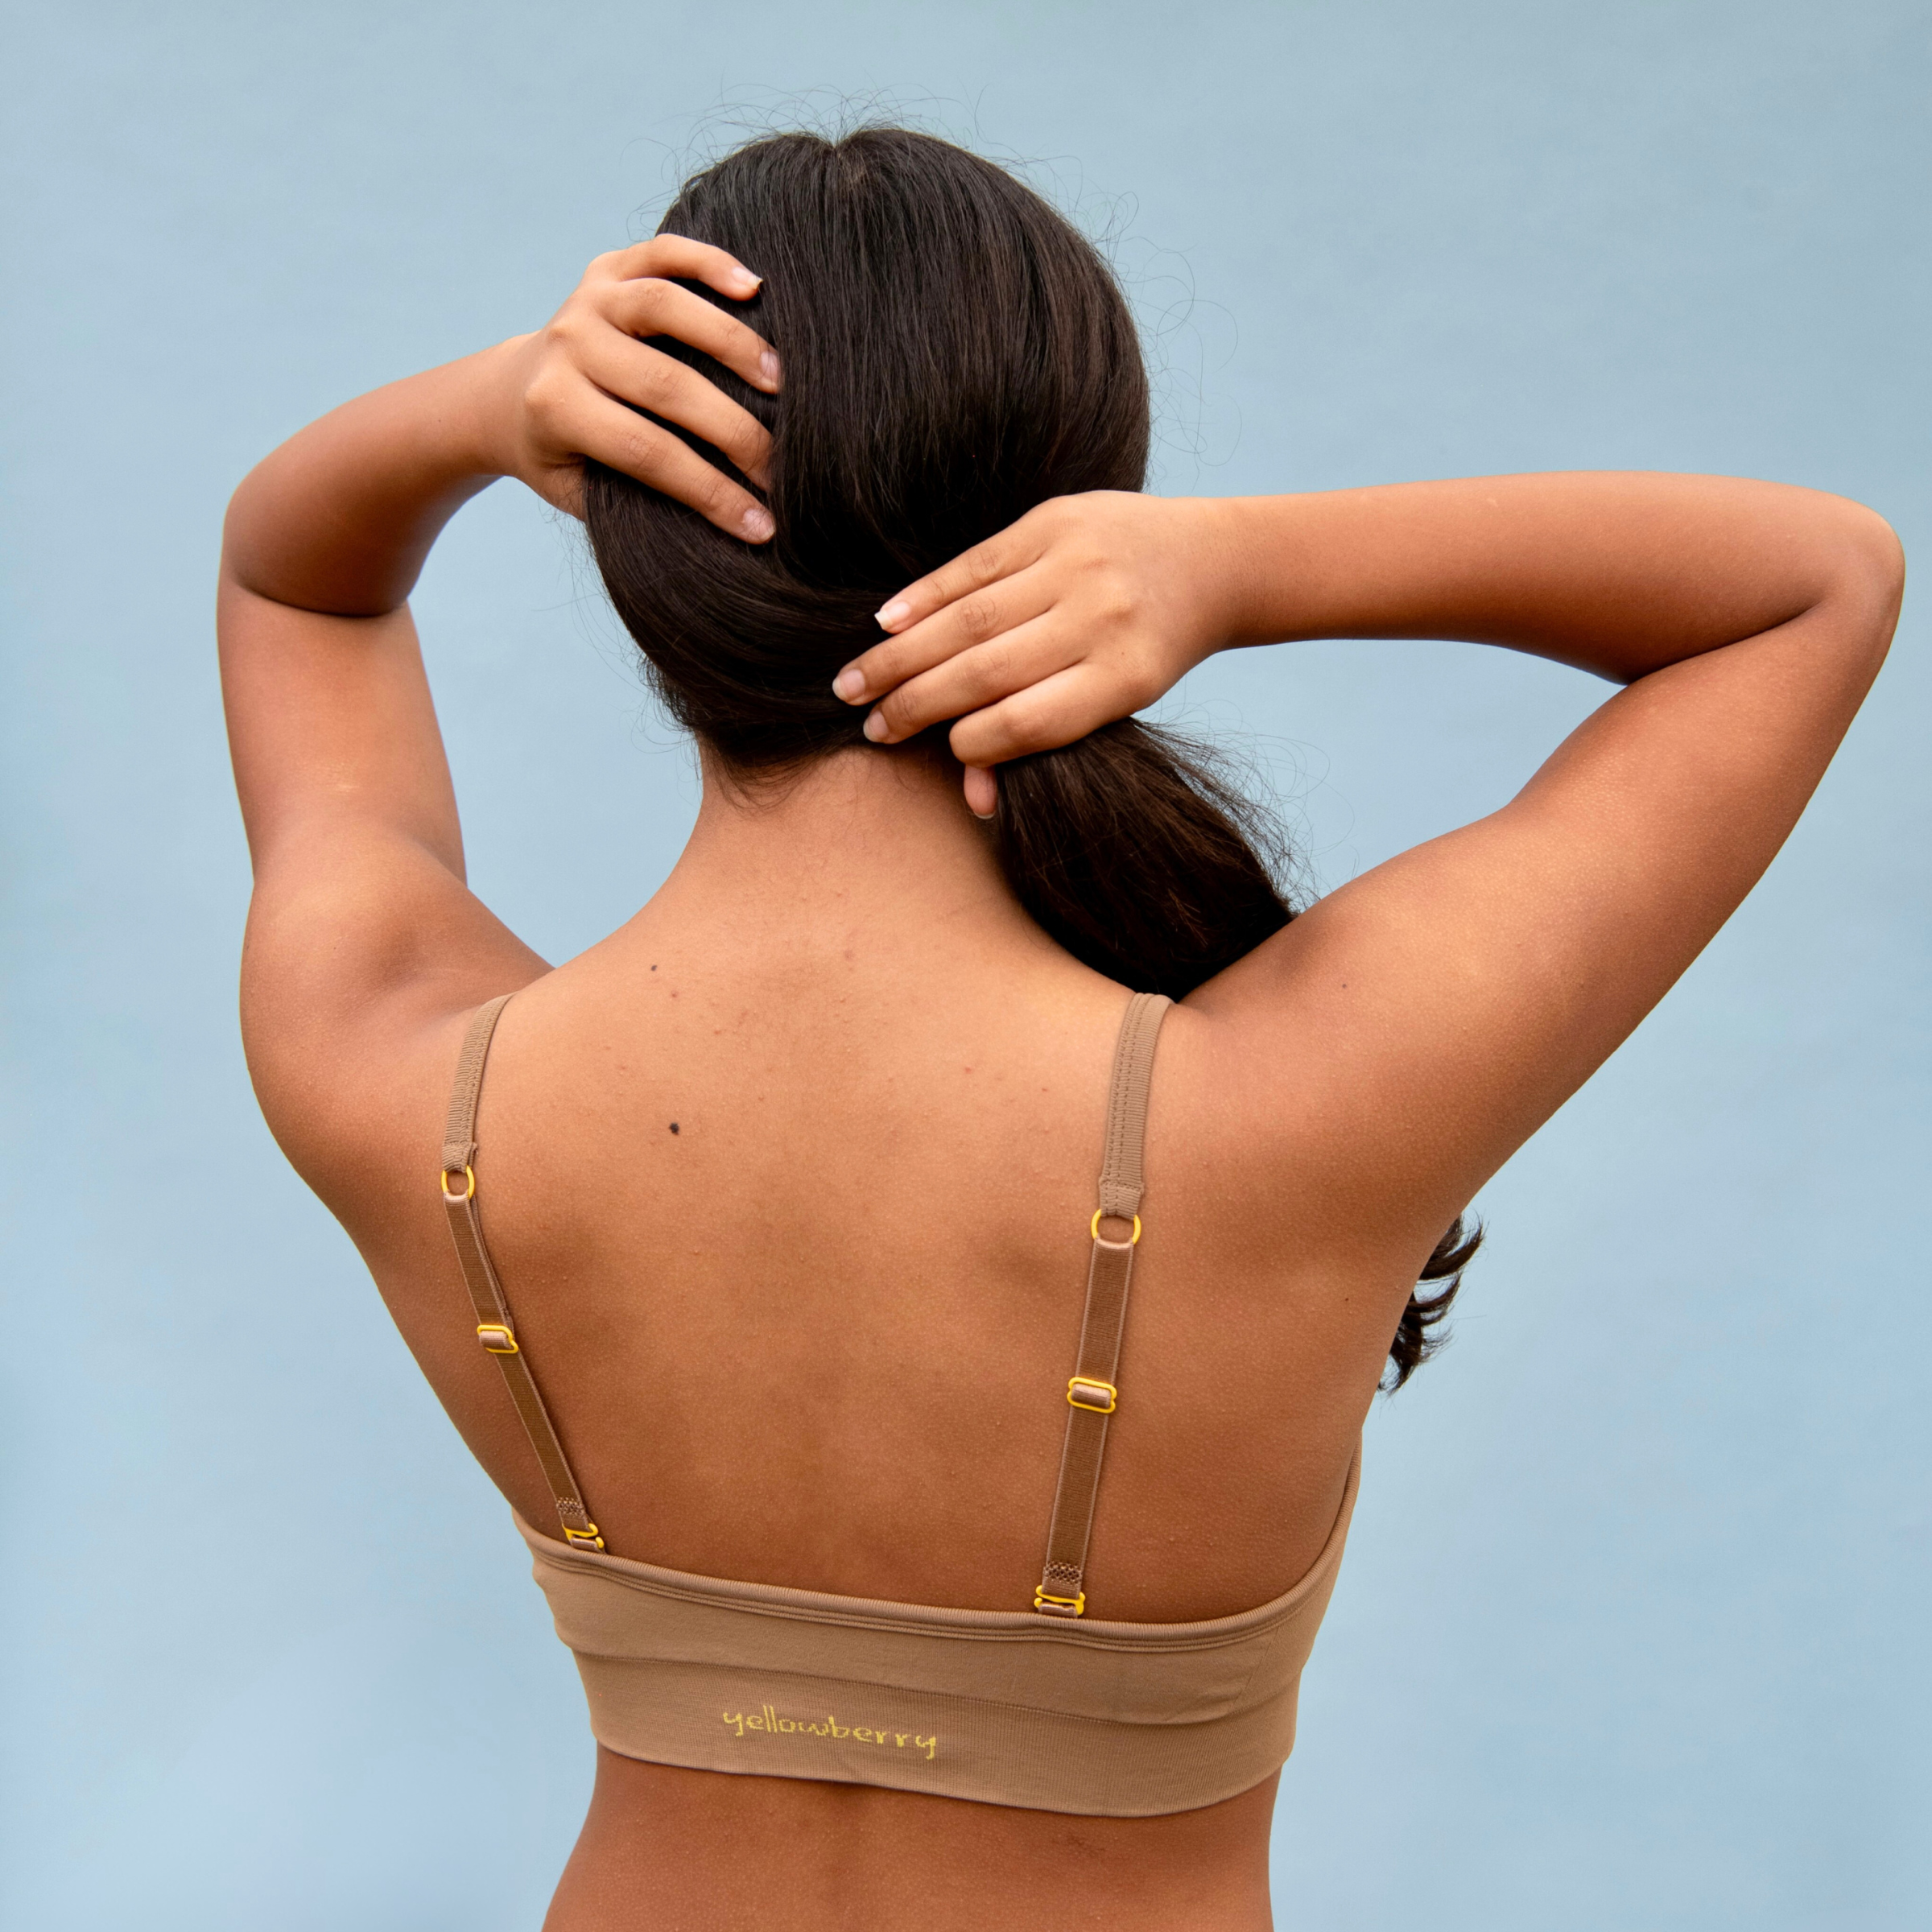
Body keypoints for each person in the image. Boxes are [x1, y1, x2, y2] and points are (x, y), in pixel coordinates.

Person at [218, 128, 1901, 1932]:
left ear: (636, 550)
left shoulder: (414, 1087)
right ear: (1083, 510)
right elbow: (1815, 581)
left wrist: (485, 405)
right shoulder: (1293, 1110)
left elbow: (291, 582)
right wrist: (1237, 571)